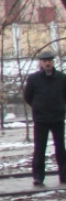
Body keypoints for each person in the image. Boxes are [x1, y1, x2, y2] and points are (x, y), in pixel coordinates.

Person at [22, 51, 66, 187]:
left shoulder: (61, 78)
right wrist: (37, 107)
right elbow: (28, 96)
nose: (47, 63)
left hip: (57, 117)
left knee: (61, 148)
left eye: (50, 61)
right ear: (41, 63)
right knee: (40, 148)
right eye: (44, 61)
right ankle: (38, 177)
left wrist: (60, 107)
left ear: (53, 62)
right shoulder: (34, 78)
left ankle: (64, 176)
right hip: (41, 119)